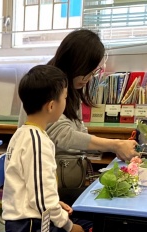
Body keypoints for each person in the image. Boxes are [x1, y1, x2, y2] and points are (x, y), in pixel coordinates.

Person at [19, 29, 138, 205]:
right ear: (74, 63)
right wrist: (114, 145)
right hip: (46, 187)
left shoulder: (70, 88)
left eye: (93, 72)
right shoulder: (48, 85)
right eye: (87, 71)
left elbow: (80, 132)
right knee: (111, 201)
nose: (89, 78)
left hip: (62, 180)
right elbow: (64, 136)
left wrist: (115, 148)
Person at [4, 66, 94, 232]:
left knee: (92, 227)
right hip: (29, 227)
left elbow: (35, 190)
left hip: (32, 218)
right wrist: (68, 226)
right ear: (52, 106)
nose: (66, 102)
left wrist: (56, 204)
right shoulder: (37, 141)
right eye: (65, 98)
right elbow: (42, 201)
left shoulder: (22, 133)